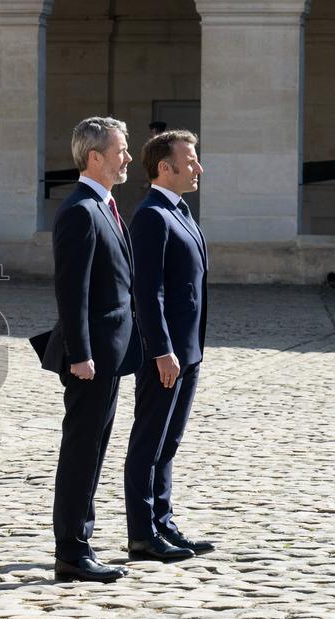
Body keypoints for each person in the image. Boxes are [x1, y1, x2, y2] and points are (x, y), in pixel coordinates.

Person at [36, 116, 142, 583]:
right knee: (81, 451)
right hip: (91, 357)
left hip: (110, 352)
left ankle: (82, 542)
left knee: (94, 449)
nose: (128, 157)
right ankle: (72, 551)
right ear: (94, 156)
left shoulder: (104, 205)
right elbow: (71, 289)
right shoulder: (80, 209)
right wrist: (80, 353)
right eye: (121, 150)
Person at [125, 130, 213, 560]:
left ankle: (163, 522)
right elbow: (147, 290)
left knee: (170, 442)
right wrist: (161, 349)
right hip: (166, 354)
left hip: (188, 350)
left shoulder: (180, 211)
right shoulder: (152, 215)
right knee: (149, 441)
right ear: (166, 167)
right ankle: (141, 534)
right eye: (191, 160)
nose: (198, 168)